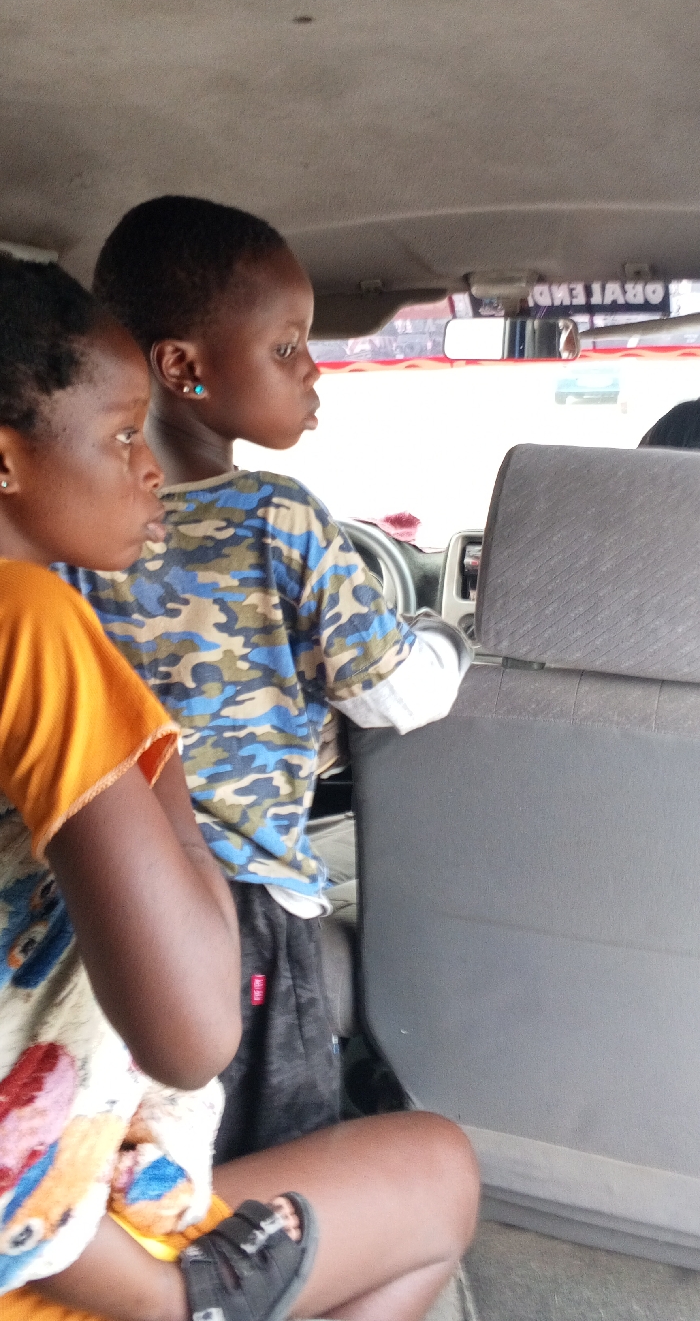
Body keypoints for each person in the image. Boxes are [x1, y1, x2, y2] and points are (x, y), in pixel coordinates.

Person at [0, 255, 480, 1321]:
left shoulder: (63, 578)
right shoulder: (34, 618)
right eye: (120, 437)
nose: (147, 472)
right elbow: (191, 1037)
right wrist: (158, 759)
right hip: (49, 1233)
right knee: (436, 1174)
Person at [59, 195, 471, 1160]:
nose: (313, 367)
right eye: (286, 347)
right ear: (183, 369)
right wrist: (444, 637)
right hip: (240, 907)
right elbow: (400, 693)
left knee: (119, 1153)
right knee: (269, 1161)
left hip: (91, 894)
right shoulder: (278, 518)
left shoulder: (68, 534)